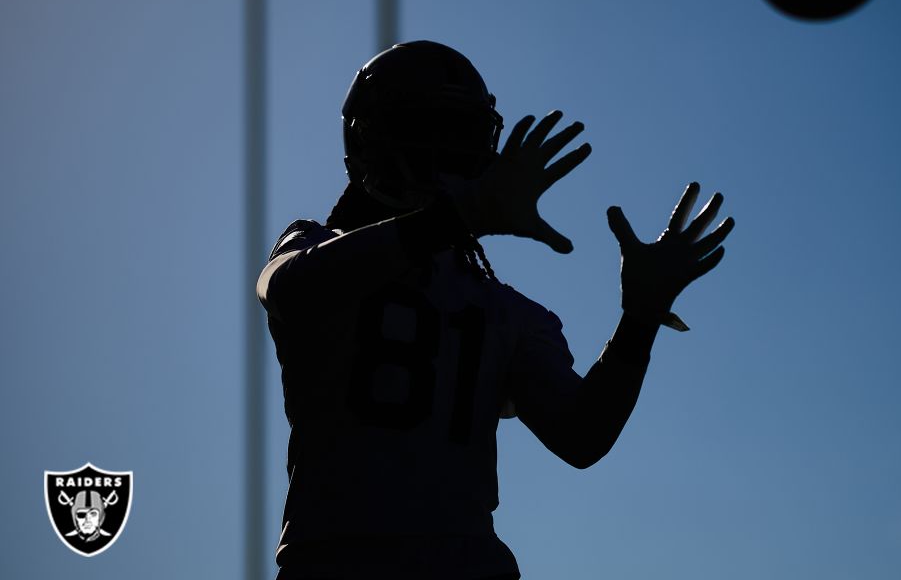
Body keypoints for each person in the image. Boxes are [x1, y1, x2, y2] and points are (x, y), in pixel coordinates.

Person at [257, 41, 734, 579]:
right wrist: (460, 215)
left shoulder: (504, 309)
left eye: (462, 134)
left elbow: (580, 435)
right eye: (431, 127)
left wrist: (640, 319)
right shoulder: (317, 249)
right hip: (341, 558)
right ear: (375, 137)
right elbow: (295, 290)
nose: (451, 152)